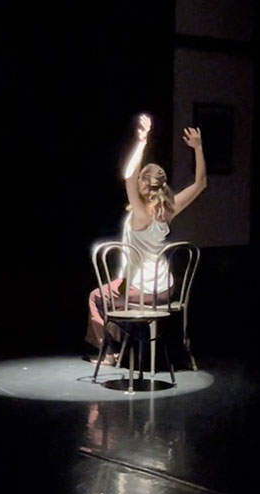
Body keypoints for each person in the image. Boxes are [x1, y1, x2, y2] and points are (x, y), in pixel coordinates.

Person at [85, 113, 207, 363]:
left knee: (97, 297)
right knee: (117, 291)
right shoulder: (169, 209)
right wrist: (198, 148)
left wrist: (141, 141)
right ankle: (122, 344)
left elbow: (129, 174)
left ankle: (109, 351)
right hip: (166, 289)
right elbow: (201, 183)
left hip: (142, 291)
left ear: (143, 186)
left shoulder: (141, 212)